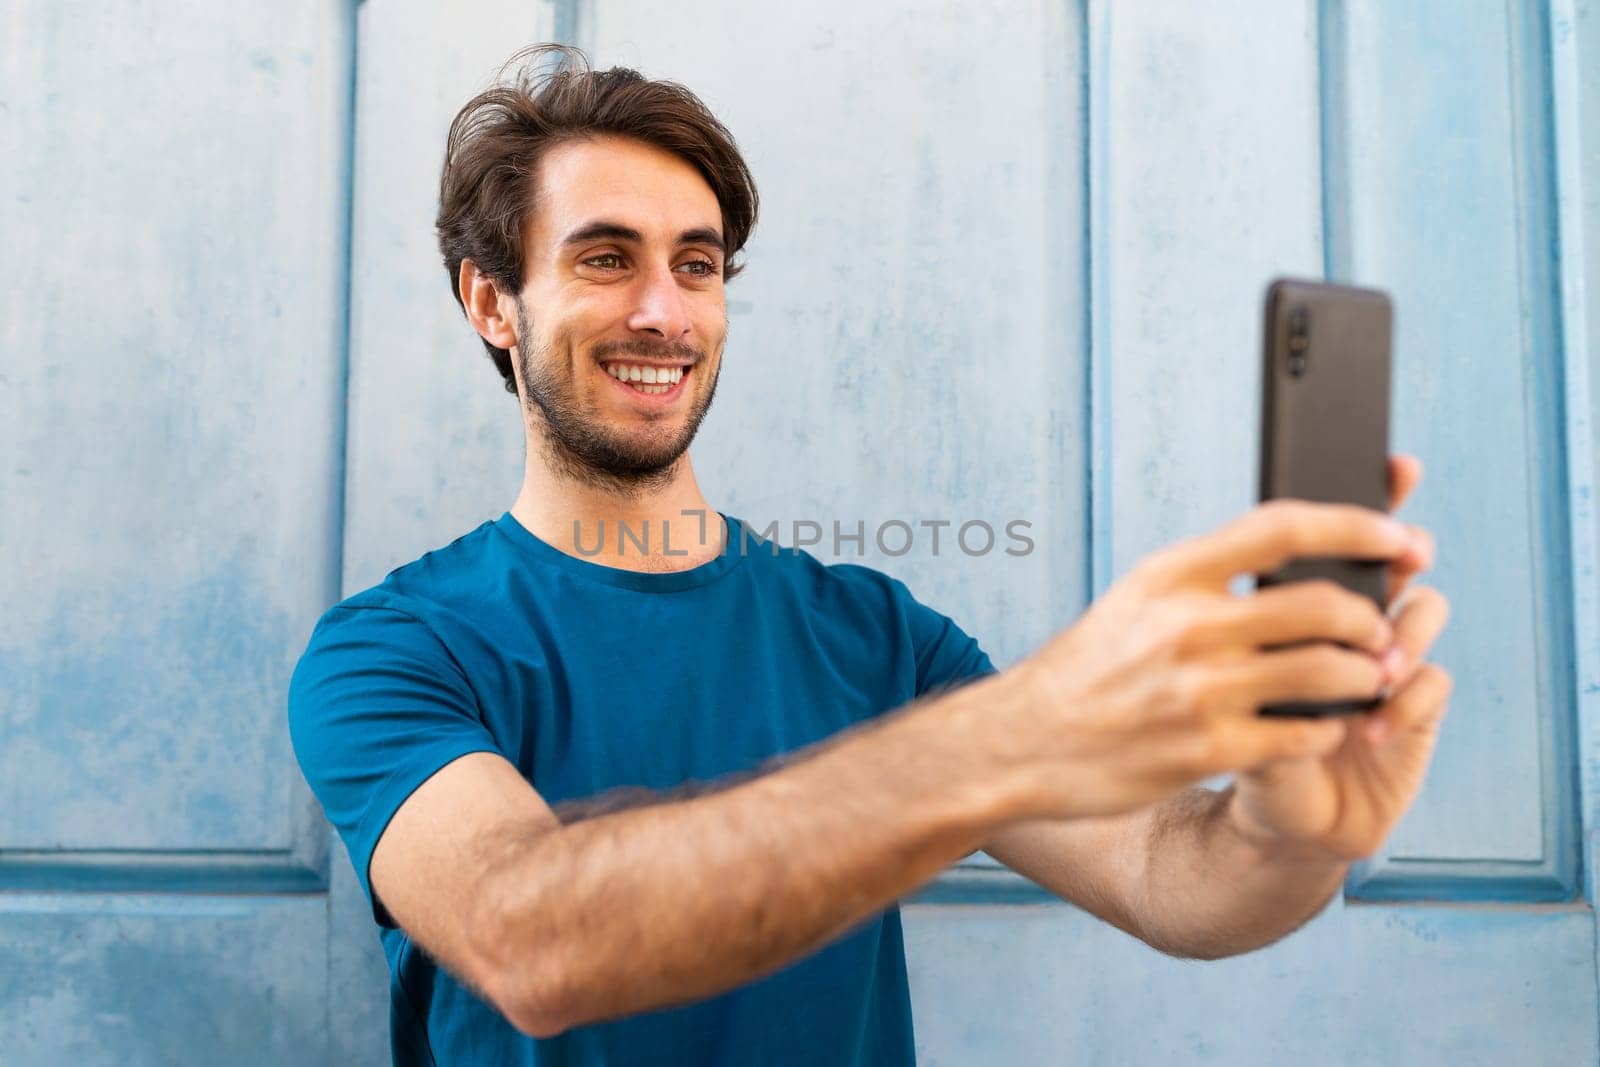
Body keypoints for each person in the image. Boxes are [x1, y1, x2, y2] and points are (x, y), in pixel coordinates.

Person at [287, 44, 1451, 1067]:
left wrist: (1294, 831)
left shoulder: (876, 634)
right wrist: (1017, 729)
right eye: (605, 259)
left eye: (696, 264)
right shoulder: (390, 651)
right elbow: (528, 935)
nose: (664, 312)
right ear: (492, 303)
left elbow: (1164, 872)